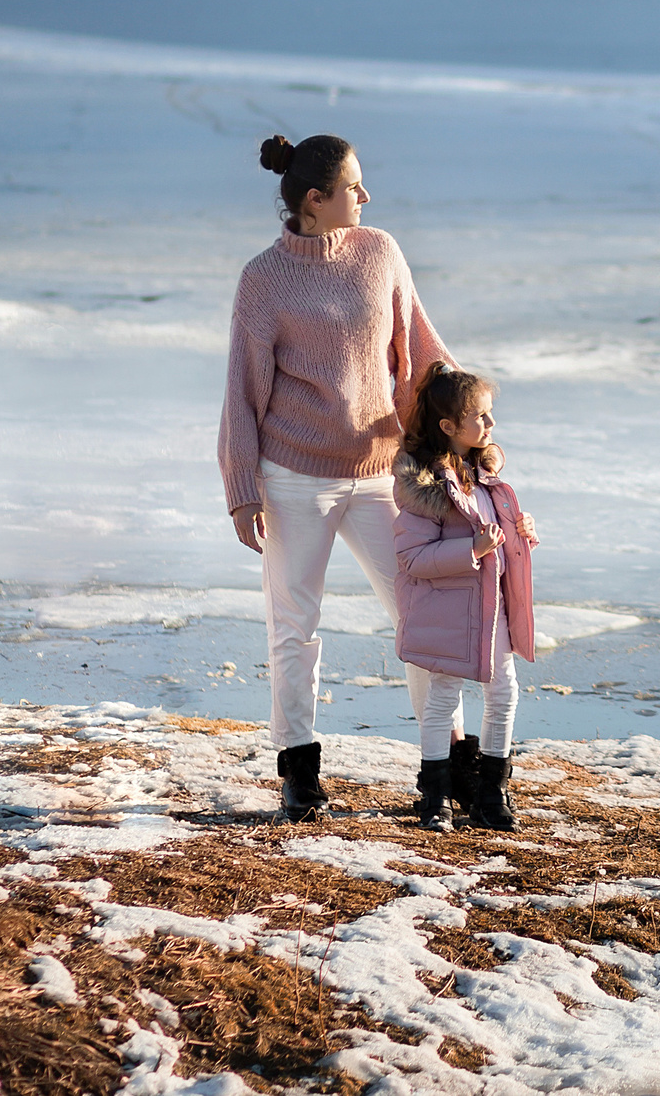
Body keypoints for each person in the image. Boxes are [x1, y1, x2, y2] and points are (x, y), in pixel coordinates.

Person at [219, 132, 459, 822]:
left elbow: (421, 354)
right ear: (315, 201)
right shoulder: (263, 279)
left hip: (381, 472)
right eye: (355, 186)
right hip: (293, 474)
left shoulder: (380, 251)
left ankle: (445, 763)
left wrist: (462, 432)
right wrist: (242, 487)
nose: (368, 196)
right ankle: (299, 772)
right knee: (295, 624)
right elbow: (241, 390)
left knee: (424, 612)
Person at [393, 363, 539, 832]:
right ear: (449, 426)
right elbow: (413, 558)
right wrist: (472, 549)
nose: (491, 425)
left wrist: (524, 534)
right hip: (449, 613)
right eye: (481, 416)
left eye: (490, 414)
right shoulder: (425, 489)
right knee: (443, 697)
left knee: (504, 692)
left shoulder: (485, 476)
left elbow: (503, 543)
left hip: (492, 611)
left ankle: (492, 794)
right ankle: (434, 797)